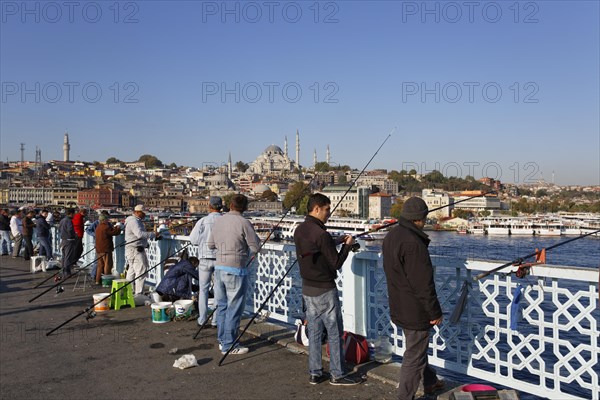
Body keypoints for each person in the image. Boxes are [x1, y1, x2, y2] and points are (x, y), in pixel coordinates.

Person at [293, 193, 363, 386]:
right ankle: (337, 374)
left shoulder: (300, 230)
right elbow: (336, 263)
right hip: (324, 289)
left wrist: (337, 240)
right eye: (326, 209)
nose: (328, 213)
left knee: (314, 332)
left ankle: (315, 372)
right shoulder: (321, 234)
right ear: (316, 209)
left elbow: (316, 248)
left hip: (308, 288)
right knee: (334, 332)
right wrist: (347, 246)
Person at [382, 197, 445, 399]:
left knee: (417, 347)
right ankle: (405, 396)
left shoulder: (392, 235)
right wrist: (434, 311)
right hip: (414, 308)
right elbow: (423, 283)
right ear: (421, 218)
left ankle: (430, 382)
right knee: (414, 354)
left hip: (398, 303)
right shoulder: (414, 243)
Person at [208, 194, 261, 355]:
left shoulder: (219, 221)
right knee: (234, 308)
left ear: (230, 205)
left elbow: (210, 245)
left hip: (219, 269)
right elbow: (256, 247)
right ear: (245, 207)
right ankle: (229, 345)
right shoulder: (244, 223)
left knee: (222, 306)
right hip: (236, 269)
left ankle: (222, 340)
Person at [189, 196, 223, 327]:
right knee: (219, 290)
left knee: (203, 290)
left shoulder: (203, 221)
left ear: (209, 206)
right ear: (221, 207)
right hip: (220, 258)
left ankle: (202, 319)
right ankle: (215, 320)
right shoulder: (224, 221)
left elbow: (193, 240)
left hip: (204, 258)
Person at [124, 205, 156, 296]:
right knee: (141, 271)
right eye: (143, 213)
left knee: (132, 270)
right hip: (136, 250)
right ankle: (139, 293)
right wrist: (153, 234)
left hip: (131, 249)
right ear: (138, 212)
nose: (145, 215)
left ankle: (128, 291)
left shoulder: (131, 220)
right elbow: (139, 234)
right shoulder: (134, 221)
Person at [94, 213, 121, 285]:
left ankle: (97, 280)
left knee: (100, 265)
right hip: (106, 249)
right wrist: (118, 228)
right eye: (106, 219)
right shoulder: (106, 227)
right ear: (104, 220)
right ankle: (106, 281)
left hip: (98, 249)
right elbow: (114, 233)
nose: (107, 221)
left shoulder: (98, 227)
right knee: (107, 264)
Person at [58, 208, 78, 278]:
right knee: (68, 257)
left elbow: (59, 229)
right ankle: (67, 273)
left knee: (64, 257)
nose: (74, 215)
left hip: (63, 240)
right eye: (74, 214)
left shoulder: (62, 220)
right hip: (69, 240)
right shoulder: (69, 221)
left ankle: (63, 271)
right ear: (71, 214)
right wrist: (74, 235)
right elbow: (70, 230)